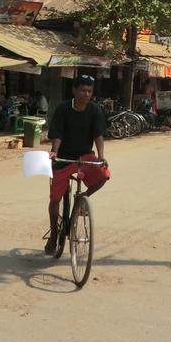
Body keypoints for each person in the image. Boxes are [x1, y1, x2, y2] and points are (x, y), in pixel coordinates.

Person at [45, 74, 110, 255]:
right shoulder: (63, 109)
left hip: (84, 157)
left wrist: (101, 156)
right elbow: (57, 134)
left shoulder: (95, 110)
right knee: (55, 200)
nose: (86, 94)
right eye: (82, 90)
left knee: (104, 174)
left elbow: (98, 134)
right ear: (74, 90)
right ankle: (54, 232)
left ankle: (82, 200)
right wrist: (55, 153)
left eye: (89, 91)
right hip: (64, 158)